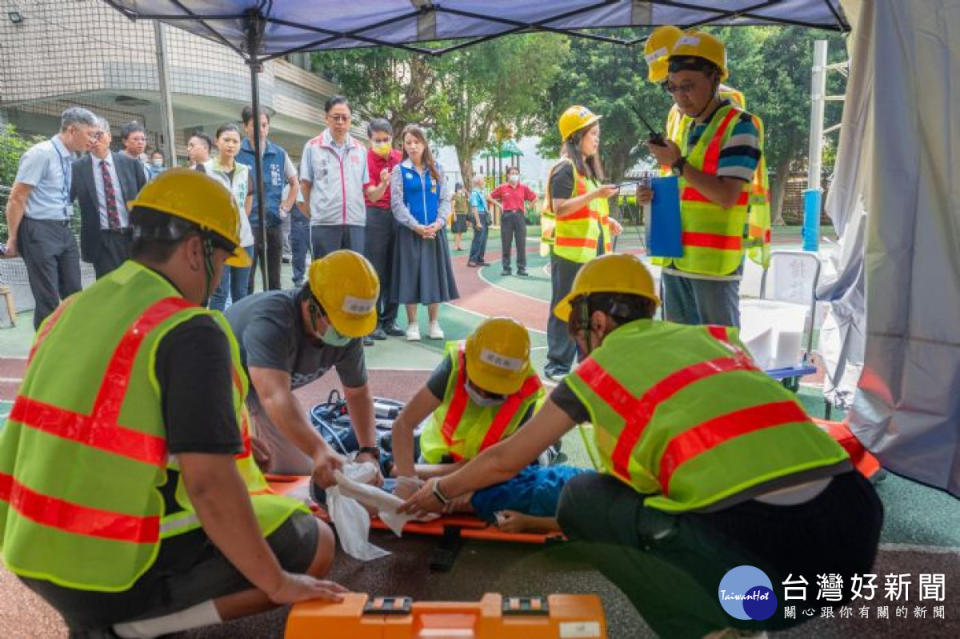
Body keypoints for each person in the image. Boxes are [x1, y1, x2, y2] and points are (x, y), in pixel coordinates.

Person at [401, 253, 884, 639]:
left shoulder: (597, 370)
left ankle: (711, 628)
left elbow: (507, 460)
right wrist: (531, 523)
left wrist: (441, 492)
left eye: (577, 329)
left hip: (762, 570)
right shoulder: (715, 341)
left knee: (581, 499)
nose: (579, 342)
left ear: (597, 321)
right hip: (851, 540)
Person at [0, 169, 345, 638]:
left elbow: (107, 425)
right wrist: (279, 583)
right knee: (312, 541)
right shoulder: (187, 328)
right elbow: (209, 487)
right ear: (193, 250)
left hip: (30, 548)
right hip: (110, 567)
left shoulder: (71, 307)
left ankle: (104, 619)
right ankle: (134, 626)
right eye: (222, 261)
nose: (221, 274)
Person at [391, 317, 584, 531]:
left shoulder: (527, 390)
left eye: (494, 390)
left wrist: (466, 487)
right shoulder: (456, 364)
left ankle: (546, 450)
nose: (483, 393)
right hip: (439, 458)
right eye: (479, 383)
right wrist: (407, 481)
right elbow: (404, 424)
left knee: (524, 471)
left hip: (488, 471)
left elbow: (504, 462)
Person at [638, 31, 764, 328]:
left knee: (718, 354)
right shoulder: (682, 125)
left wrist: (678, 164)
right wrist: (651, 196)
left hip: (713, 267)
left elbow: (726, 196)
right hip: (675, 258)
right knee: (679, 355)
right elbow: (685, 188)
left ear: (715, 80)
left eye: (690, 86)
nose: (681, 96)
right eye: (674, 88)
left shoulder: (741, 125)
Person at [224, 250, 383, 485]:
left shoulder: (348, 330)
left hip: (270, 388)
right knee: (293, 469)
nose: (346, 334)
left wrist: (369, 452)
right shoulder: (272, 322)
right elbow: (274, 397)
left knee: (311, 464)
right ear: (311, 304)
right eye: (339, 324)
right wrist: (319, 450)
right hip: (226, 389)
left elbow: (358, 393)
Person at [542, 105, 622, 381]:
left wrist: (608, 223)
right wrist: (596, 194)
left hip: (589, 253)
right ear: (576, 137)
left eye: (598, 134)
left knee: (587, 310)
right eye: (593, 134)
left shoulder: (585, 171)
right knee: (565, 307)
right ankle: (557, 365)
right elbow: (560, 207)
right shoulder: (565, 169)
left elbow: (591, 210)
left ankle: (585, 362)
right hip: (569, 253)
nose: (597, 139)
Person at [4, 106, 98, 329]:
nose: (92, 139)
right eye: (89, 133)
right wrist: (13, 238)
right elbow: (17, 198)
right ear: (71, 130)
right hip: (38, 229)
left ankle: (73, 347)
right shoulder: (41, 153)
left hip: (63, 229)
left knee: (74, 293)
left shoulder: (69, 158)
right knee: (47, 299)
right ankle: (44, 355)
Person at [389, 124, 459, 342]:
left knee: (434, 277)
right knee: (410, 277)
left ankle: (433, 323)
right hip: (410, 233)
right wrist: (415, 226)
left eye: (416, 142)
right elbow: (397, 203)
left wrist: (438, 223)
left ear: (424, 143)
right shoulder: (400, 170)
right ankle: (412, 324)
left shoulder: (437, 168)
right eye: (407, 143)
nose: (412, 146)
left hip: (434, 233)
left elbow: (445, 200)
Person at [70, 116, 147, 279]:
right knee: (110, 286)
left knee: (134, 284)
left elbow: (145, 200)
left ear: (109, 137)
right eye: (90, 135)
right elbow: (67, 199)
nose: (94, 140)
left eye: (99, 135)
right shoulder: (77, 168)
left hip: (130, 235)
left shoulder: (131, 164)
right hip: (102, 239)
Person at [300, 95, 371, 258]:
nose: (340, 122)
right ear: (326, 118)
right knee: (326, 277)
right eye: (336, 117)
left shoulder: (360, 149)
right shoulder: (312, 147)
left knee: (354, 276)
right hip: (325, 225)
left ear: (350, 120)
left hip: (355, 225)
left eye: (344, 118)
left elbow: (364, 186)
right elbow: (305, 185)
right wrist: (314, 213)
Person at [238, 106, 299, 294]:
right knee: (246, 279)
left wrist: (286, 207)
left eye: (264, 125)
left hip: (273, 223)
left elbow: (294, 183)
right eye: (255, 126)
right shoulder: (238, 152)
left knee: (274, 278)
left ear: (268, 127)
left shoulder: (279, 153)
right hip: (249, 225)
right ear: (245, 127)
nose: (260, 130)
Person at [362, 118, 405, 341]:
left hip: (398, 215)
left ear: (392, 138)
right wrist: (384, 184)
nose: (382, 143)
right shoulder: (365, 159)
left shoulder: (399, 157)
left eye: (386, 139)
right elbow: (372, 195)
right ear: (370, 140)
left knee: (395, 268)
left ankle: (390, 320)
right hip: (375, 215)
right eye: (377, 140)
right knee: (375, 271)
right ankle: (373, 322)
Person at [205, 124, 254, 311]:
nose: (231, 145)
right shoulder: (204, 169)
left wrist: (241, 221)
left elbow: (248, 199)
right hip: (217, 241)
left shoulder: (244, 170)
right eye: (226, 140)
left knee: (241, 292)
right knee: (219, 292)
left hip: (244, 240)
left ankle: (238, 331)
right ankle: (217, 332)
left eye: (235, 141)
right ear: (217, 141)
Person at [489, 166, 537, 276]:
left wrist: (528, 208)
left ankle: (521, 268)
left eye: (516, 173)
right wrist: (499, 205)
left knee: (521, 243)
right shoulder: (502, 187)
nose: (514, 175)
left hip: (519, 216)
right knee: (506, 243)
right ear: (508, 175)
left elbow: (535, 198)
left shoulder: (524, 188)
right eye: (512, 173)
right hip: (507, 216)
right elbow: (489, 196)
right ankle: (506, 268)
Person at [466, 175, 491, 268]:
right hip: (479, 216)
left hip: (483, 215)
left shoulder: (481, 192)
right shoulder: (474, 193)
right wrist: (478, 222)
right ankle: (472, 260)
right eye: (483, 180)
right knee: (478, 239)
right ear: (479, 182)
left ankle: (480, 259)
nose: (484, 182)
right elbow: (474, 208)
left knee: (483, 239)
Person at [450, 183, 469, 252]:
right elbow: (452, 206)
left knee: (461, 231)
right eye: (460, 188)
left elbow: (468, 198)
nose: (461, 189)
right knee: (457, 231)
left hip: (463, 214)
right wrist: (454, 215)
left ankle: (459, 245)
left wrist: (466, 192)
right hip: (457, 214)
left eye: (461, 188)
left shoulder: (463, 196)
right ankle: (455, 246)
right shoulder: (454, 196)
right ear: (457, 188)